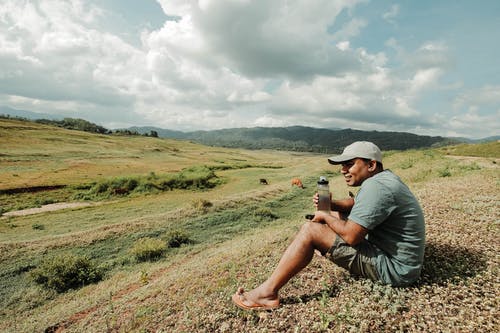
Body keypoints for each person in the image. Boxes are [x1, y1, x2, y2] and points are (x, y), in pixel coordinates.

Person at [232, 141, 425, 310]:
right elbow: (357, 205)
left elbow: (351, 236)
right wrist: (331, 205)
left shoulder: (376, 187)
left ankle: (267, 294)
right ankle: (317, 245)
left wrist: (324, 216)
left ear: (371, 164)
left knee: (310, 230)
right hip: (397, 255)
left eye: (349, 164)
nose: (343, 170)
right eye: (342, 165)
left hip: (397, 270)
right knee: (332, 214)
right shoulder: (384, 179)